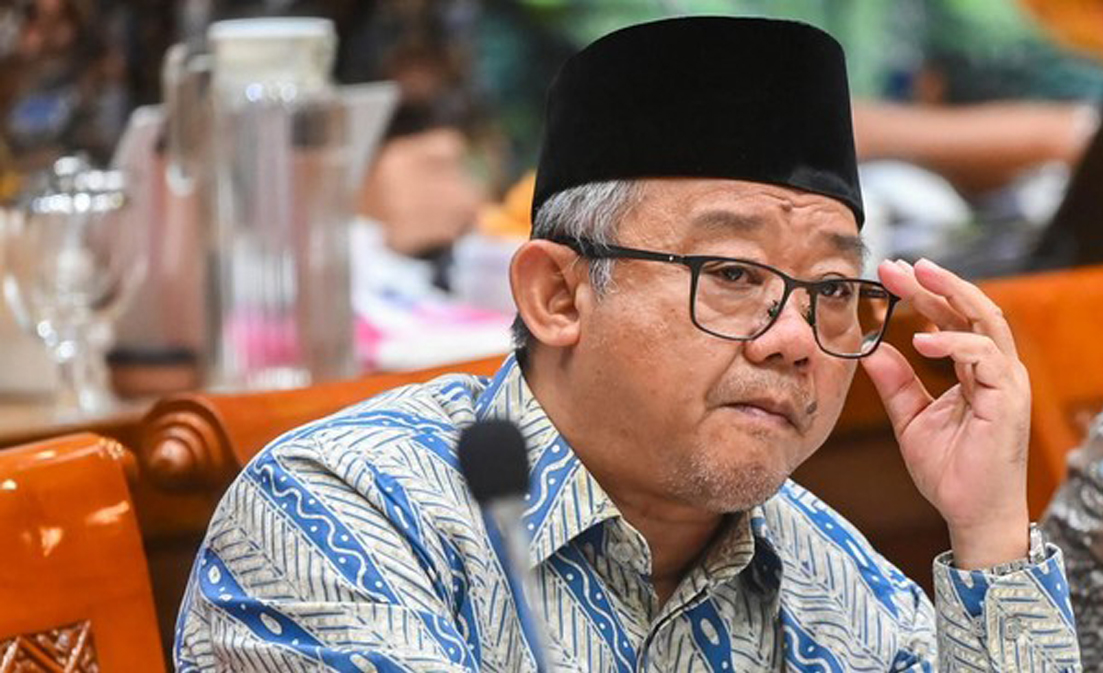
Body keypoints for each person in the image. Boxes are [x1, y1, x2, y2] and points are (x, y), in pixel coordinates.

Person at [174, 17, 1081, 671]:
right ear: (556, 294)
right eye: (733, 273)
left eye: (833, 290)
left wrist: (989, 537)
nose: (793, 340)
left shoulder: (827, 570)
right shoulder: (341, 514)